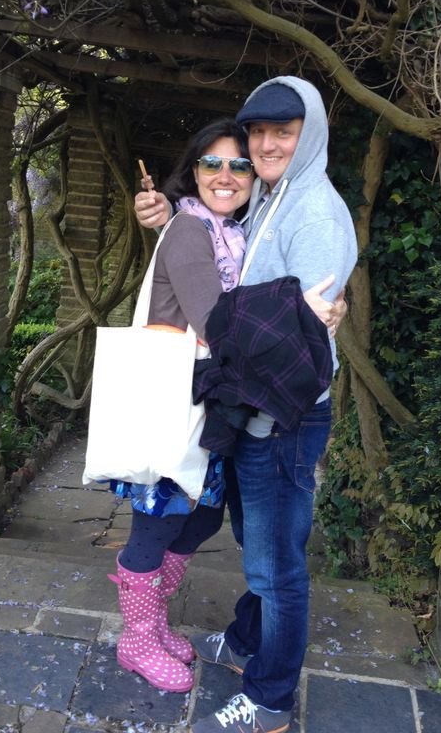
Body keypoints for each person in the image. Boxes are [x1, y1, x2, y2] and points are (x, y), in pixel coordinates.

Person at [134, 76, 358, 733]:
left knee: (276, 564)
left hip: (284, 415)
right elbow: (213, 210)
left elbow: (297, 340)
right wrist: (162, 206)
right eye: (257, 132)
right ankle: (241, 641)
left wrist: (315, 315)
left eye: (280, 132)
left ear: (308, 134)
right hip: (251, 409)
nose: (263, 145)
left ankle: (269, 700)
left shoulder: (314, 213)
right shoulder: (271, 196)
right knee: (261, 545)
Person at [109, 118, 254, 694]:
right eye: (211, 163)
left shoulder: (234, 234)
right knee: (159, 522)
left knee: (200, 517)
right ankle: (136, 641)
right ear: (191, 173)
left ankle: (153, 626)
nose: (225, 174)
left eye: (238, 164)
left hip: (204, 404)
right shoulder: (193, 231)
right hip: (175, 405)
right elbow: (218, 324)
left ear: (253, 177)